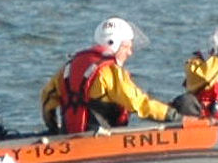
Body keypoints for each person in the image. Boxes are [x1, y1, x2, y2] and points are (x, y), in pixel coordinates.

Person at [40, 16, 180, 134]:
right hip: (98, 139)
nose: (130, 53)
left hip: (70, 135)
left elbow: (47, 99)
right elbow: (137, 103)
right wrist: (173, 115)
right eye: (127, 47)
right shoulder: (109, 72)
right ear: (114, 44)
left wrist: (53, 128)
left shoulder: (68, 68)